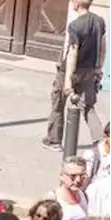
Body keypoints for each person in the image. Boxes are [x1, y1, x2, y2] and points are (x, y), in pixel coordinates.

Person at [43, 0, 106, 151]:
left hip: (71, 71)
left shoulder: (75, 26)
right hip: (89, 70)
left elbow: (72, 53)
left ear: (77, 2)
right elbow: (103, 46)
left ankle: (54, 140)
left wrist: (67, 81)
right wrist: (98, 68)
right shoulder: (99, 21)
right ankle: (100, 142)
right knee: (89, 107)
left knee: (58, 103)